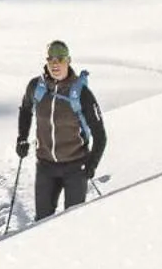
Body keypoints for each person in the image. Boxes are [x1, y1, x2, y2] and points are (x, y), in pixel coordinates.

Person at [15, 39, 106, 221]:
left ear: (68, 61)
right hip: (45, 167)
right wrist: (22, 138)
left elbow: (100, 134)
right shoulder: (36, 87)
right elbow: (25, 110)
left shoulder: (81, 94)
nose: (55, 64)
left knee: (72, 223)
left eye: (60, 59)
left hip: (76, 167)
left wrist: (92, 164)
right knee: (42, 222)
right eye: (51, 60)